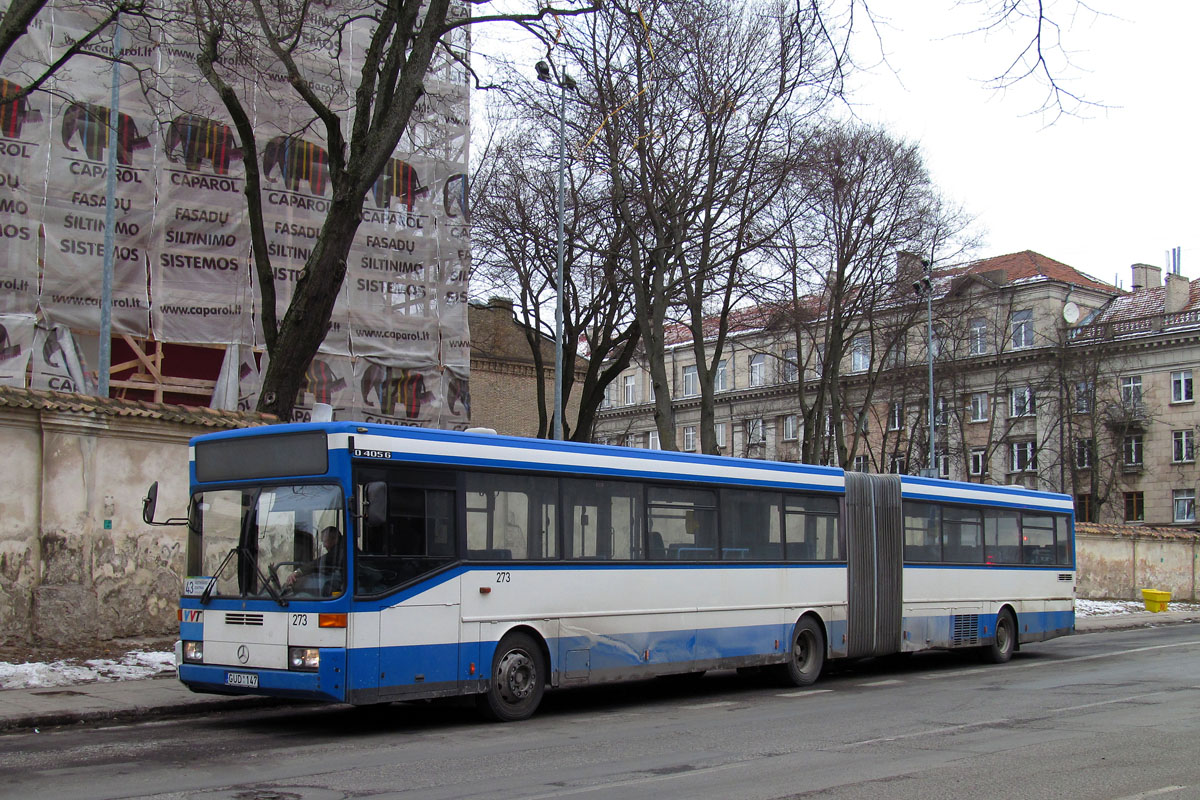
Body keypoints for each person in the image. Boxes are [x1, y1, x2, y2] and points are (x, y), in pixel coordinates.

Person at [286, 526, 344, 590]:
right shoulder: (342, 546)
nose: (324, 546)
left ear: (335, 540)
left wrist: (298, 572)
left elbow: (319, 562)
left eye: (325, 542)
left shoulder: (341, 550)